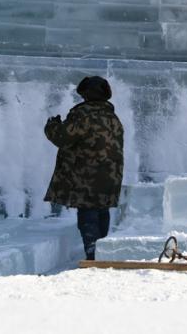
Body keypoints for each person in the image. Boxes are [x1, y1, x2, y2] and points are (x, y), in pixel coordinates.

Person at [44, 76, 124, 260]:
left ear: (86, 94)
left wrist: (52, 125)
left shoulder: (83, 115)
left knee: (87, 212)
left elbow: (63, 138)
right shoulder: (113, 117)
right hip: (111, 175)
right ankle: (101, 250)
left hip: (88, 175)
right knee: (102, 211)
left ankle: (92, 252)